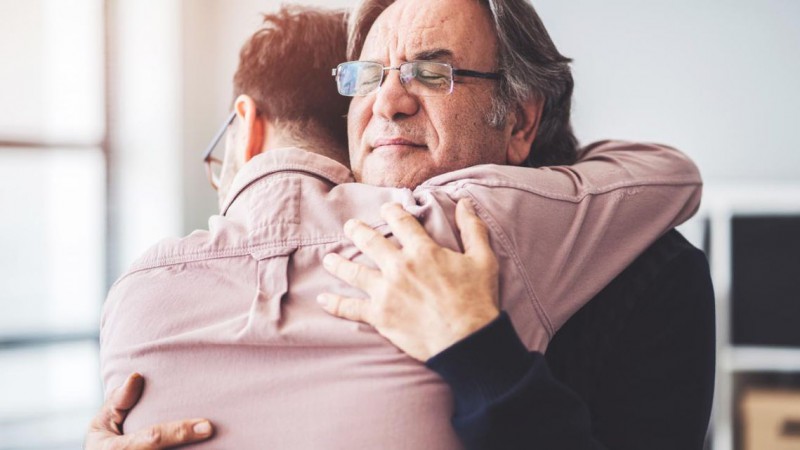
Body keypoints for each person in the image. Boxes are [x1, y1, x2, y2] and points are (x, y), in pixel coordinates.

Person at [86, 1, 713, 449]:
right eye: (368, 77)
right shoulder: (255, 262)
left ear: (520, 123)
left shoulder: (651, 272)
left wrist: (475, 348)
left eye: (432, 72)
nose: (389, 100)